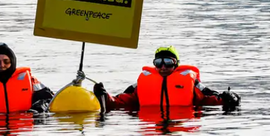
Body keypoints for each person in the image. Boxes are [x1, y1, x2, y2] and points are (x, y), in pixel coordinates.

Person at [93, 46, 240, 112]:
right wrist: (103, 95)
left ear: (176, 64)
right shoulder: (141, 84)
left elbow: (209, 97)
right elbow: (119, 101)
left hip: (180, 125)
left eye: (168, 63)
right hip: (151, 128)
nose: (163, 67)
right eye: (159, 63)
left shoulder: (191, 83)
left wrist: (229, 98)